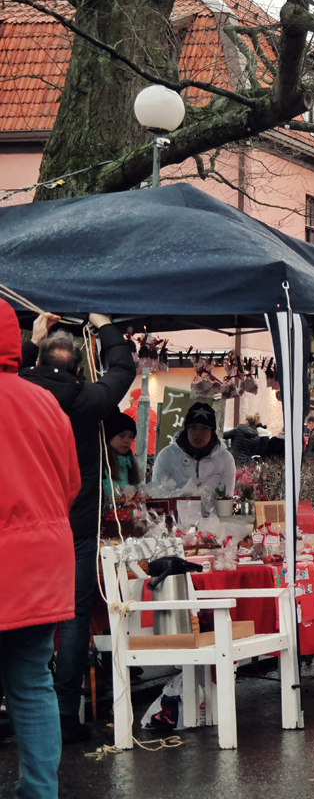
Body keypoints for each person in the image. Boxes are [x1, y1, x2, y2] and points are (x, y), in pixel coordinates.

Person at [19, 311, 135, 742]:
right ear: (80, 366)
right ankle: (65, 711)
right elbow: (123, 368)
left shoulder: (20, 389)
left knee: (22, 614)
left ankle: (19, 700)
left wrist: (31, 339)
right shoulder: (88, 399)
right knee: (71, 617)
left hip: (26, 520)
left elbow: (10, 370)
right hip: (76, 522)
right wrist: (104, 325)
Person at [1, 300, 81, 798]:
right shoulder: (41, 401)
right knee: (32, 685)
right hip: (41, 563)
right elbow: (69, 483)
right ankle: (38, 792)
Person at [152, 402, 238, 512]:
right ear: (186, 429)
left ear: (212, 431)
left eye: (204, 428)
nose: (198, 433)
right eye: (193, 427)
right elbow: (158, 497)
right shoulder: (166, 456)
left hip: (213, 525)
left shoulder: (225, 459)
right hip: (175, 523)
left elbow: (225, 502)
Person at [101, 410, 140, 500]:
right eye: (122, 436)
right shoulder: (101, 466)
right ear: (109, 436)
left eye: (131, 436)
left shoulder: (129, 465)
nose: (127, 441)